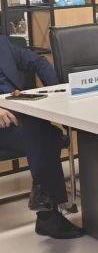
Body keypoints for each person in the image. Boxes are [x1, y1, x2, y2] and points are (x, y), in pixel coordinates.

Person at [0, 37, 83, 239]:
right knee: (47, 135)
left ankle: (46, 206)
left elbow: (38, 62)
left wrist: (59, 94)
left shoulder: (2, 43)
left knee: (44, 132)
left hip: (16, 114)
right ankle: (48, 215)